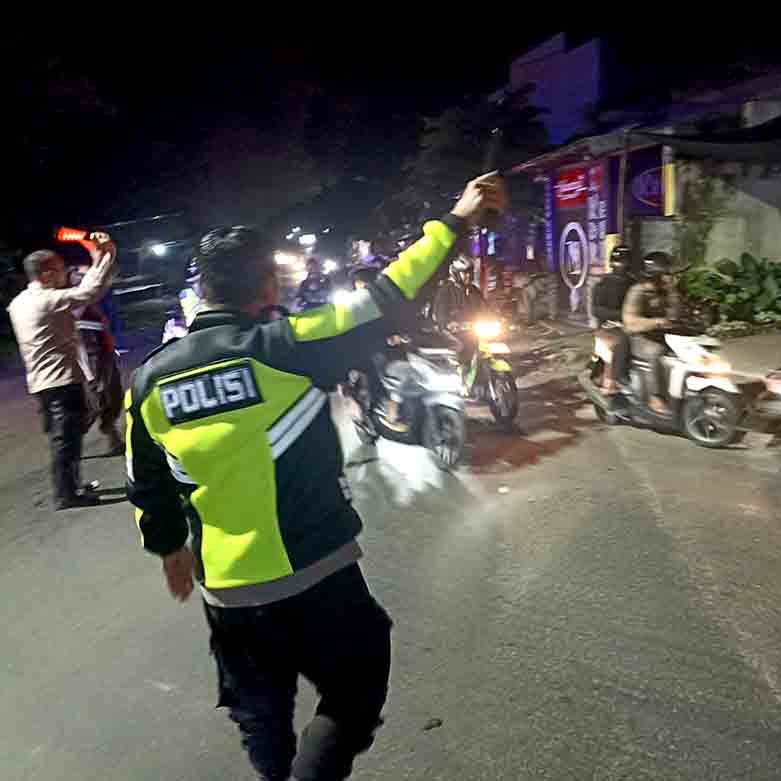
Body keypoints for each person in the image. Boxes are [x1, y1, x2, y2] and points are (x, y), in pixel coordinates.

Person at [126, 174, 505, 781]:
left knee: (260, 714)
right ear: (268, 285)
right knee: (356, 686)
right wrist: (456, 219)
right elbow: (390, 294)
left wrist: (168, 545)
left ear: (204, 287)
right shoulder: (288, 344)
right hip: (316, 575)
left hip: (227, 591)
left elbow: (145, 481)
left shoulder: (148, 382)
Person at [7, 238, 117, 510]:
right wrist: (103, 255)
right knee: (65, 440)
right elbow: (89, 291)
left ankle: (72, 485)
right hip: (61, 380)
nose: (64, 275)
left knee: (66, 437)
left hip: (42, 381)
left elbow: (86, 292)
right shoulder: (47, 299)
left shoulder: (19, 302)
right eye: (58, 270)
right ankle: (66, 494)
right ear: (46, 274)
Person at [69, 267, 125, 455]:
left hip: (103, 354)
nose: (84, 278)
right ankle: (69, 443)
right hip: (91, 355)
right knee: (97, 401)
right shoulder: (74, 301)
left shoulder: (91, 301)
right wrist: (93, 373)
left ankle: (111, 437)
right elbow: (83, 342)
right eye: (79, 275)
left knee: (114, 397)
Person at [622, 252, 681, 416]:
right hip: (640, 338)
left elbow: (676, 314)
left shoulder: (665, 291)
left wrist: (672, 291)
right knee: (658, 353)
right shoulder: (638, 292)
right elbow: (630, 321)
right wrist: (657, 322)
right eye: (666, 272)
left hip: (664, 335)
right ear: (655, 274)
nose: (669, 275)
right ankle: (655, 397)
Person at [592, 245, 636, 393]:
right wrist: (621, 315)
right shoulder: (604, 284)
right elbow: (597, 310)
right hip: (609, 326)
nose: (621, 265)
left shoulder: (634, 283)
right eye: (618, 262)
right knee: (623, 340)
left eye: (624, 262)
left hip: (633, 324)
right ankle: (613, 381)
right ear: (612, 263)